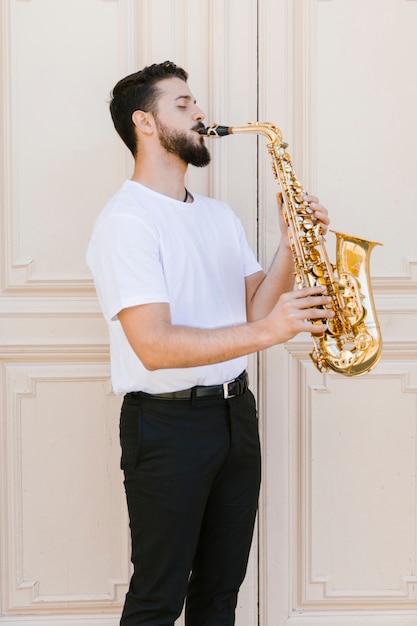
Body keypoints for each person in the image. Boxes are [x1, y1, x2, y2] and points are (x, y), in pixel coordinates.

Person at [87, 60, 333, 626]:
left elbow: (253, 310)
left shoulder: (219, 217)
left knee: (221, 595)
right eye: (183, 104)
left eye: (195, 103)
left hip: (234, 417)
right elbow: (154, 345)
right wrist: (270, 334)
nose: (201, 114)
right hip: (167, 426)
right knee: (157, 598)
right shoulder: (126, 222)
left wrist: (293, 244)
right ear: (143, 123)